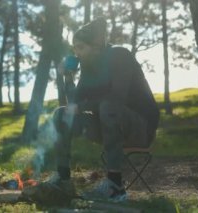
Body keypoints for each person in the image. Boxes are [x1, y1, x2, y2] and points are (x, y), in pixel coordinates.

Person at [51, 17, 160, 202]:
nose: (76, 53)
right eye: (74, 48)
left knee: (108, 106)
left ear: (96, 46)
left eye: (80, 47)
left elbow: (116, 97)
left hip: (140, 128)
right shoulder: (88, 68)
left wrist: (82, 107)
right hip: (108, 124)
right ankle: (63, 178)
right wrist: (67, 77)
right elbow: (73, 105)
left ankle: (115, 186)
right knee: (61, 114)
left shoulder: (119, 55)